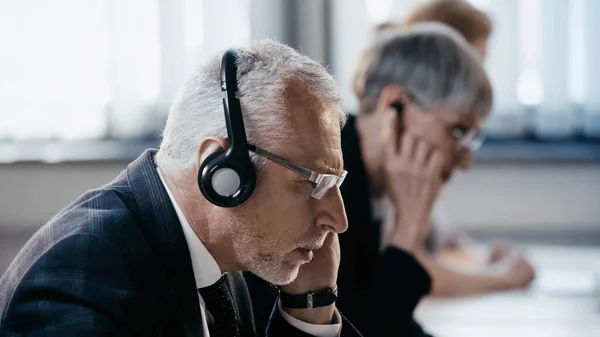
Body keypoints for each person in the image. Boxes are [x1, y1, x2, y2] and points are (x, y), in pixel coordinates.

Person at [0, 40, 363, 337]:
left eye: (334, 184)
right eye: (310, 182)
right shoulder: (83, 285)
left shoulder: (217, 257)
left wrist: (309, 308)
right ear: (224, 174)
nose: (339, 220)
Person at [245, 22, 498, 336]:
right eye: (458, 131)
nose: (465, 160)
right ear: (396, 105)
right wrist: (409, 229)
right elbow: (359, 329)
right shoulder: (320, 183)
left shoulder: (369, 183)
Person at [378, 0, 537, 298]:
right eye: (473, 64)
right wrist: (502, 277)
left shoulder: (425, 147)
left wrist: (482, 254)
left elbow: (438, 242)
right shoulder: (390, 149)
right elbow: (412, 268)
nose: (478, 81)